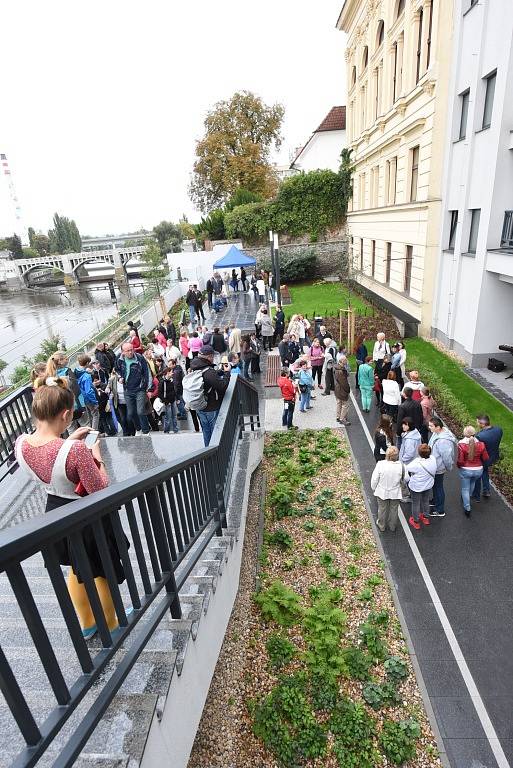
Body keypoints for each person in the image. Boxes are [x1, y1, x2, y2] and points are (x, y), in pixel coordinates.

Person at [14, 379, 126, 636]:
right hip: (86, 515)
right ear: (65, 414)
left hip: (55, 509)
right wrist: (96, 456)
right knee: (102, 571)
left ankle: (87, 625)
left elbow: (48, 456)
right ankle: (111, 625)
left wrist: (68, 440)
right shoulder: (75, 451)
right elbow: (100, 487)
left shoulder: (21, 444)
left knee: (77, 568)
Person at [187, 345, 230, 446]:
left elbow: (209, 378)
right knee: (215, 432)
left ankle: (207, 451)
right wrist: (227, 373)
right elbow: (222, 386)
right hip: (211, 407)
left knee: (206, 431)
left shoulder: (195, 367)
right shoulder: (208, 371)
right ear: (209, 356)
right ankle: (214, 453)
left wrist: (220, 372)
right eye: (212, 356)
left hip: (199, 404)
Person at [114, 342, 153, 435]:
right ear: (123, 352)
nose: (131, 352)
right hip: (127, 390)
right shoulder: (119, 359)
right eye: (128, 351)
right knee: (130, 413)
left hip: (139, 389)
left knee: (140, 411)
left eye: (132, 349)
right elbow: (116, 370)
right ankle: (138, 428)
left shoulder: (139, 358)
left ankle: (146, 431)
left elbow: (147, 373)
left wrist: (147, 388)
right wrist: (119, 377)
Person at [371, 446, 407, 533]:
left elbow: (375, 479)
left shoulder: (380, 464)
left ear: (387, 455)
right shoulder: (402, 466)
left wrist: (374, 488)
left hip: (382, 491)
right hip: (395, 492)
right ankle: (392, 526)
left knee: (382, 509)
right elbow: (406, 478)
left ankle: (382, 525)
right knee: (394, 509)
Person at [428, 416, 457, 517]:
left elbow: (447, 457)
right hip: (435, 465)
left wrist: (449, 467)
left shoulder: (443, 441)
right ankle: (435, 501)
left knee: (438, 487)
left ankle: (440, 510)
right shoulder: (437, 433)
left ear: (438, 427)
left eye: (431, 426)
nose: (429, 427)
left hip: (438, 468)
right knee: (436, 486)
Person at [457, 426, 489, 516]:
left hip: (466, 470)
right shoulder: (481, 444)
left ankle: (467, 507)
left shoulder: (461, 444)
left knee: (465, 489)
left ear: (464, 434)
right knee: (472, 483)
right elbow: (486, 457)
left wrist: (459, 467)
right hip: (478, 470)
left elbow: (460, 460)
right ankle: (469, 496)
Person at [472, 414, 503, 501]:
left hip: (482, 459)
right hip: (493, 456)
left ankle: (476, 494)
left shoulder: (480, 436)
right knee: (485, 472)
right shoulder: (498, 430)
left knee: (477, 476)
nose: (476, 423)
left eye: (477, 422)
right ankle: (486, 490)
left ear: (482, 424)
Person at [406, 444, 436, 530]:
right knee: (425, 501)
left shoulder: (417, 463)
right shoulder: (433, 459)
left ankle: (416, 522)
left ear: (419, 453)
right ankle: (426, 518)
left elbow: (407, 468)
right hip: (428, 485)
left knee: (416, 503)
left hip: (416, 486)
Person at [74, 355, 99, 430]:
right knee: (95, 415)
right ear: (87, 363)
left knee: (90, 416)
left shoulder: (76, 372)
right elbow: (89, 391)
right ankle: (94, 433)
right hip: (89, 399)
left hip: (83, 399)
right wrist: (95, 401)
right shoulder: (86, 376)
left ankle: (89, 433)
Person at [158, 368, 179, 434]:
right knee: (168, 416)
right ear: (167, 373)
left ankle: (175, 429)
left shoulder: (171, 380)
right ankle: (166, 430)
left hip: (173, 401)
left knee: (174, 415)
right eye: (171, 372)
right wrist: (166, 401)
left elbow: (174, 391)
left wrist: (177, 398)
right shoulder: (162, 382)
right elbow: (160, 393)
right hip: (167, 402)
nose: (172, 373)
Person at [334, 357, 351, 425]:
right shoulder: (340, 371)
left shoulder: (336, 368)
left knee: (339, 403)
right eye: (346, 361)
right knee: (345, 405)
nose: (347, 362)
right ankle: (342, 419)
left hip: (337, 389)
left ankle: (338, 417)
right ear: (343, 362)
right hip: (342, 390)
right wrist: (348, 389)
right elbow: (344, 383)